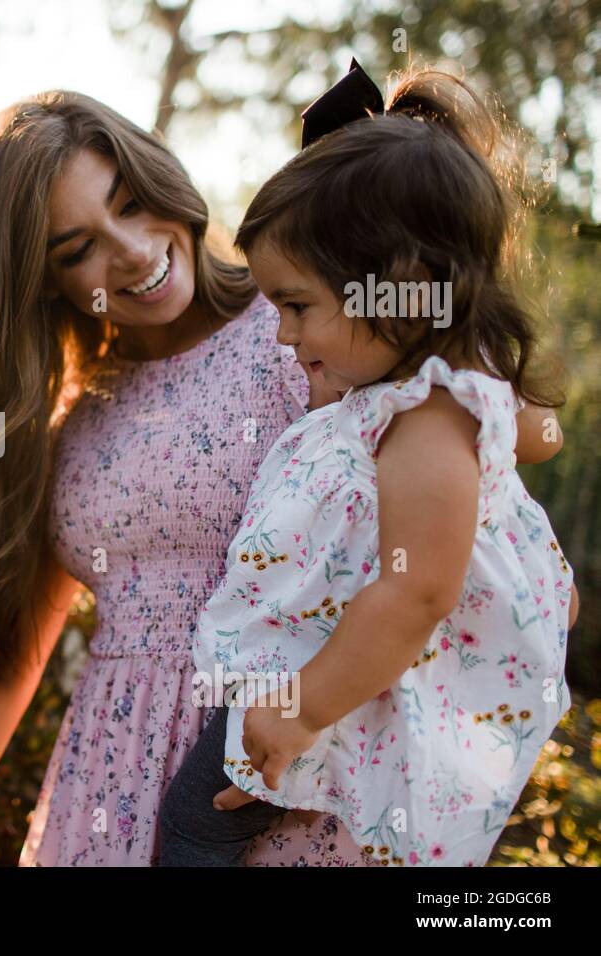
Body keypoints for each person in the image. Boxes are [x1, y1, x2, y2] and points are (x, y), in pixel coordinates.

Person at [156, 65, 577, 866]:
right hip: (339, 669)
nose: (282, 335)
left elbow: (418, 588)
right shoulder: (387, 397)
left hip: (333, 680)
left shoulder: (427, 415)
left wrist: (300, 708)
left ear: (398, 288)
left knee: (193, 822)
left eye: (297, 306)